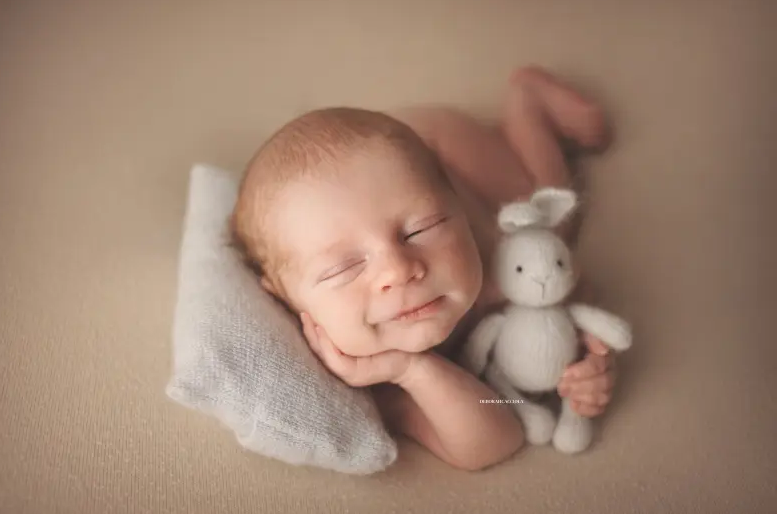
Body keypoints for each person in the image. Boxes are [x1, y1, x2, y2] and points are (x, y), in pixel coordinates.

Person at [229, 66, 616, 471]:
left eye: (422, 229)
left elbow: (572, 294)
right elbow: (496, 439)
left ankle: (527, 104)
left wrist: (586, 360)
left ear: (456, 214)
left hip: (440, 144)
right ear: (285, 296)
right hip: (383, 172)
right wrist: (411, 368)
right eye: (343, 268)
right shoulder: (368, 379)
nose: (398, 269)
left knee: (551, 212)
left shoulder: (495, 270)